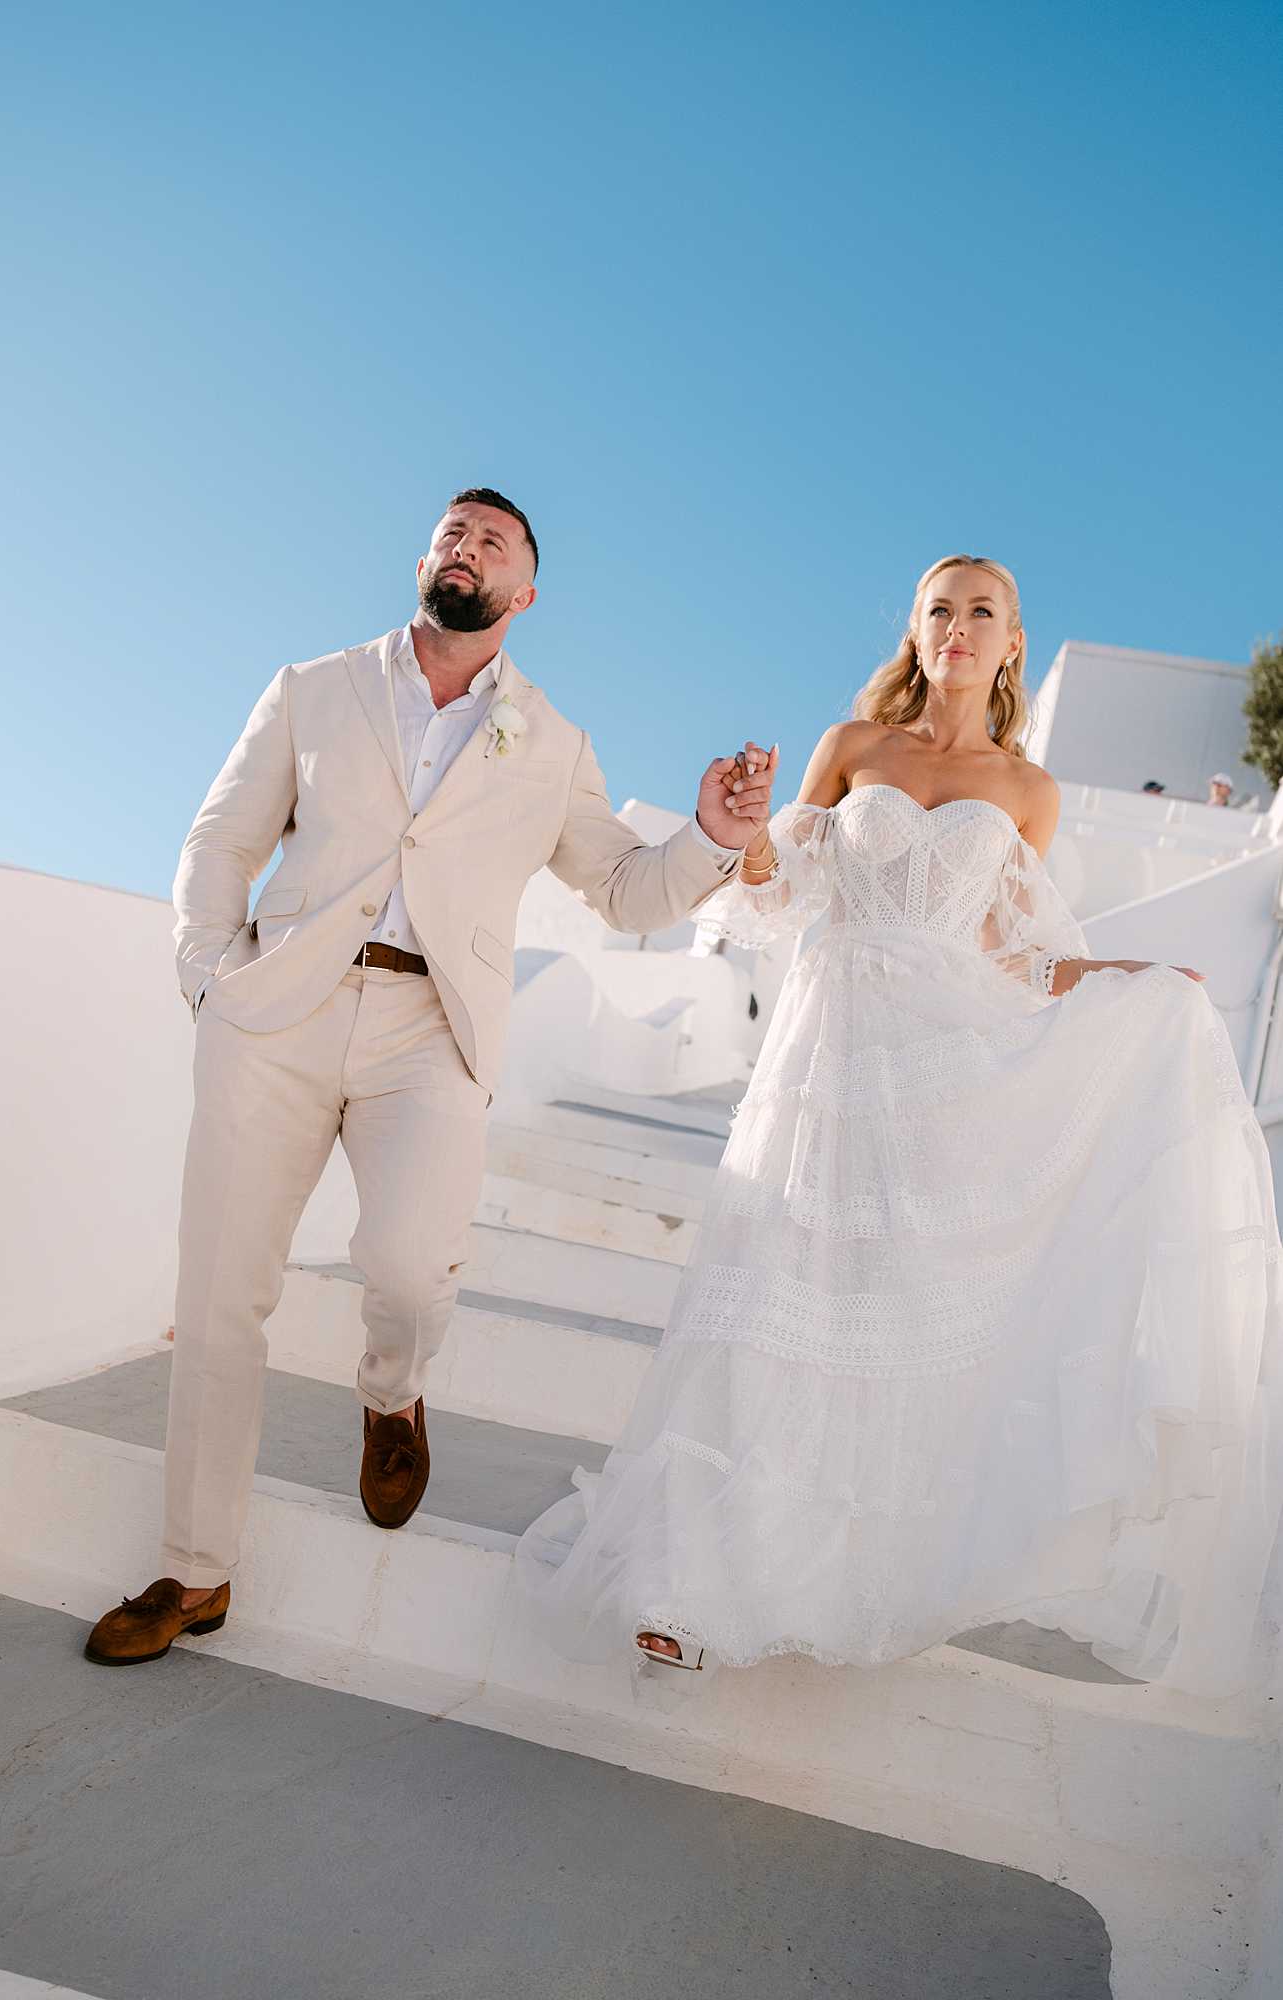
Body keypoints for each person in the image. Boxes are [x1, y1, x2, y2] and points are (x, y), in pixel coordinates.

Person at [517, 554, 1283, 1699]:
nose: (958, 626)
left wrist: (1137, 980)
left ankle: (830, 1577)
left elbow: (1017, 955)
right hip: (827, 1051)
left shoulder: (1027, 791)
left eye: (982, 611)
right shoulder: (851, 746)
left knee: (875, 1319)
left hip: (935, 1071)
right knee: (772, 1293)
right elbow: (776, 890)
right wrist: (744, 828)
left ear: (1011, 643)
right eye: (939, 609)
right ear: (915, 633)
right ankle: (688, 1583)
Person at [83, 487, 776, 1666]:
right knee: (219, 1294)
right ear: (425, 558)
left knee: (409, 1268)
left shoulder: (552, 742)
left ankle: (392, 1391)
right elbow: (222, 838)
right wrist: (210, 980)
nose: (468, 546)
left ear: (524, 593)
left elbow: (624, 892)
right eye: (454, 531)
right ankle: (193, 1570)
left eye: (493, 540)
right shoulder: (315, 686)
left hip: (431, 1027)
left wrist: (710, 834)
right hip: (277, 1012)